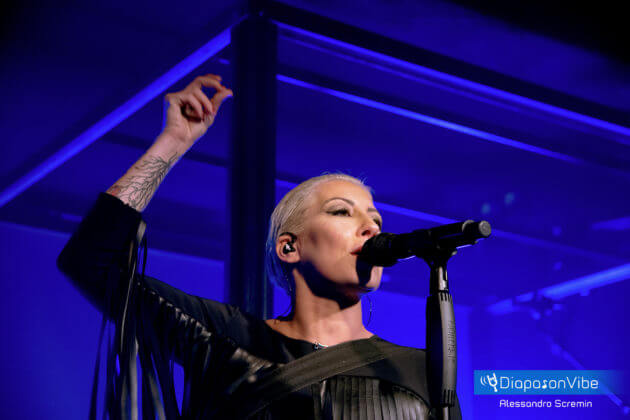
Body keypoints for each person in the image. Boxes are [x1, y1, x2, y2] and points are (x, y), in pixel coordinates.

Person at [57, 74, 462, 419]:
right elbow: (89, 262)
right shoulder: (227, 338)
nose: (370, 227)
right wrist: (172, 143)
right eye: (342, 212)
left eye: (376, 220)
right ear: (289, 248)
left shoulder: (420, 370)